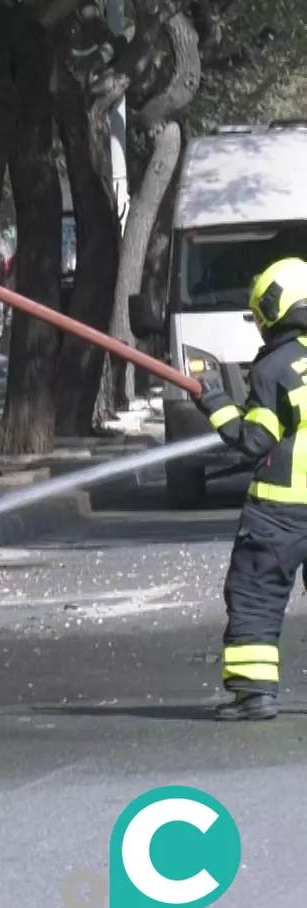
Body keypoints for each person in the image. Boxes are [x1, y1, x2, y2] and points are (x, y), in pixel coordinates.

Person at [190, 256, 307, 721]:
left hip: (279, 514)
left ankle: (255, 694)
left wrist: (215, 402)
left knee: (256, 595)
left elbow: (254, 440)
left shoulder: (274, 366)